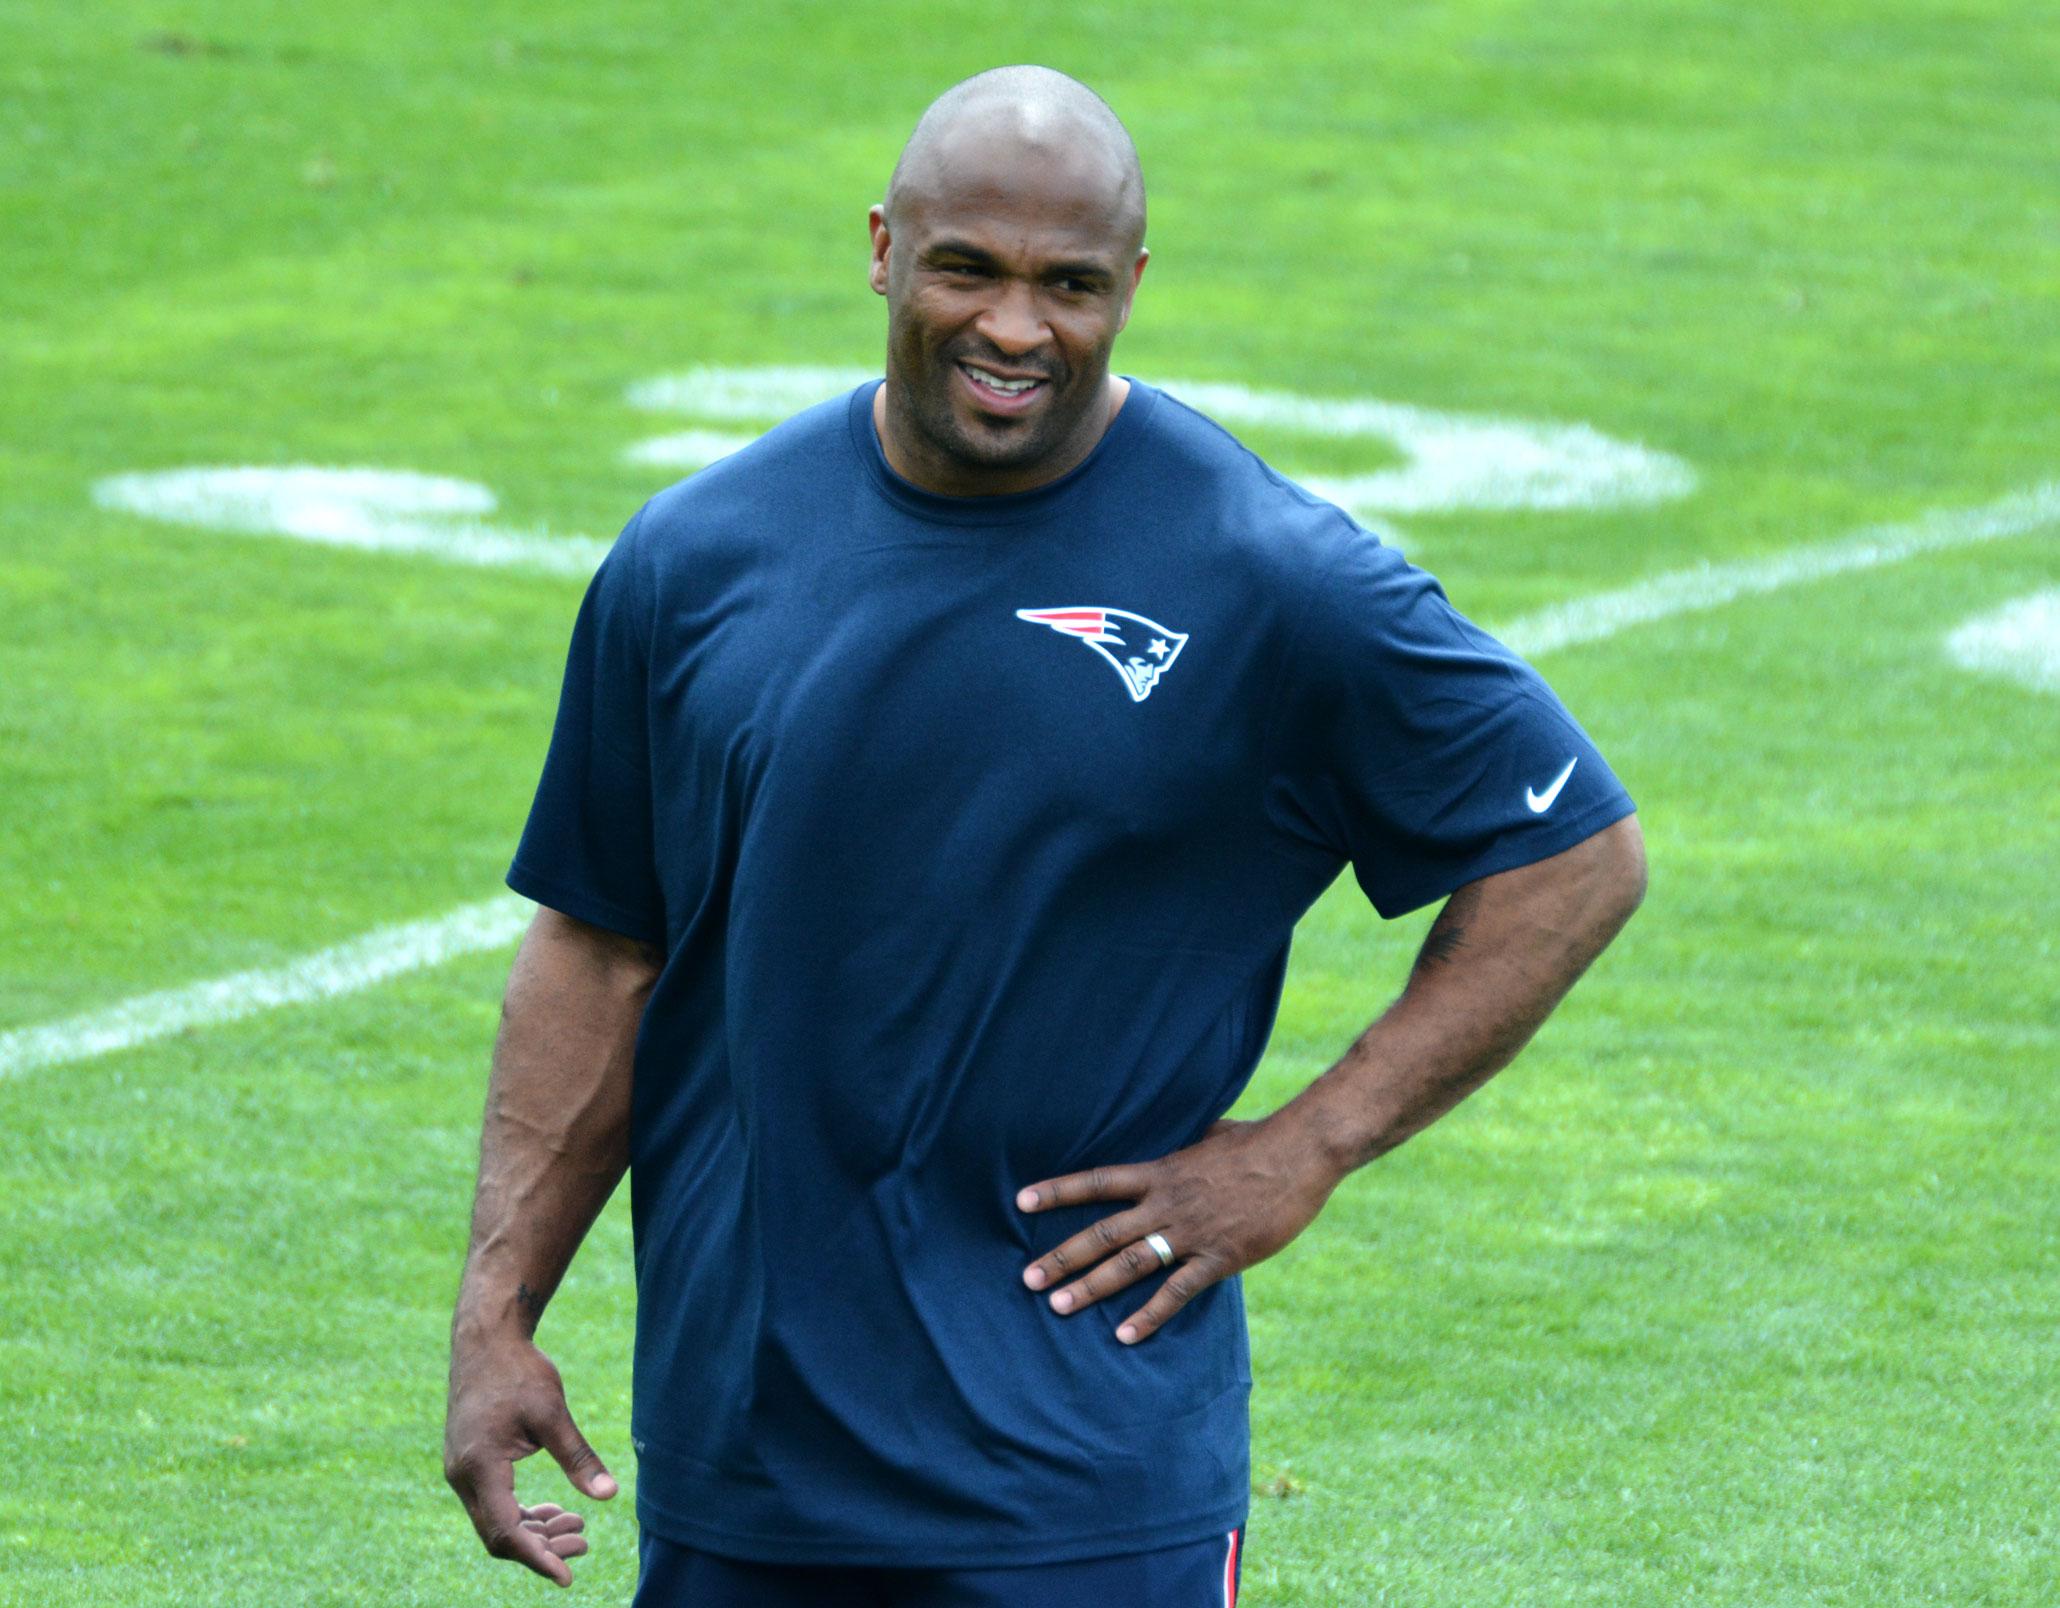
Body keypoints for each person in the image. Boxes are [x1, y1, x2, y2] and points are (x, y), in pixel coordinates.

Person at [443, 64, 1646, 1606]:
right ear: (883, 249)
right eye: (969, 269)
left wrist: (1306, 1148)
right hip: (742, 1475)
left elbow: (1575, 857)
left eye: (1069, 285)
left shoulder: (1266, 575)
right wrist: (495, 1318)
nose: (1016, 328)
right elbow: (598, 948)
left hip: (1084, 1490)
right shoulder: (693, 560)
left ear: (1131, 285)